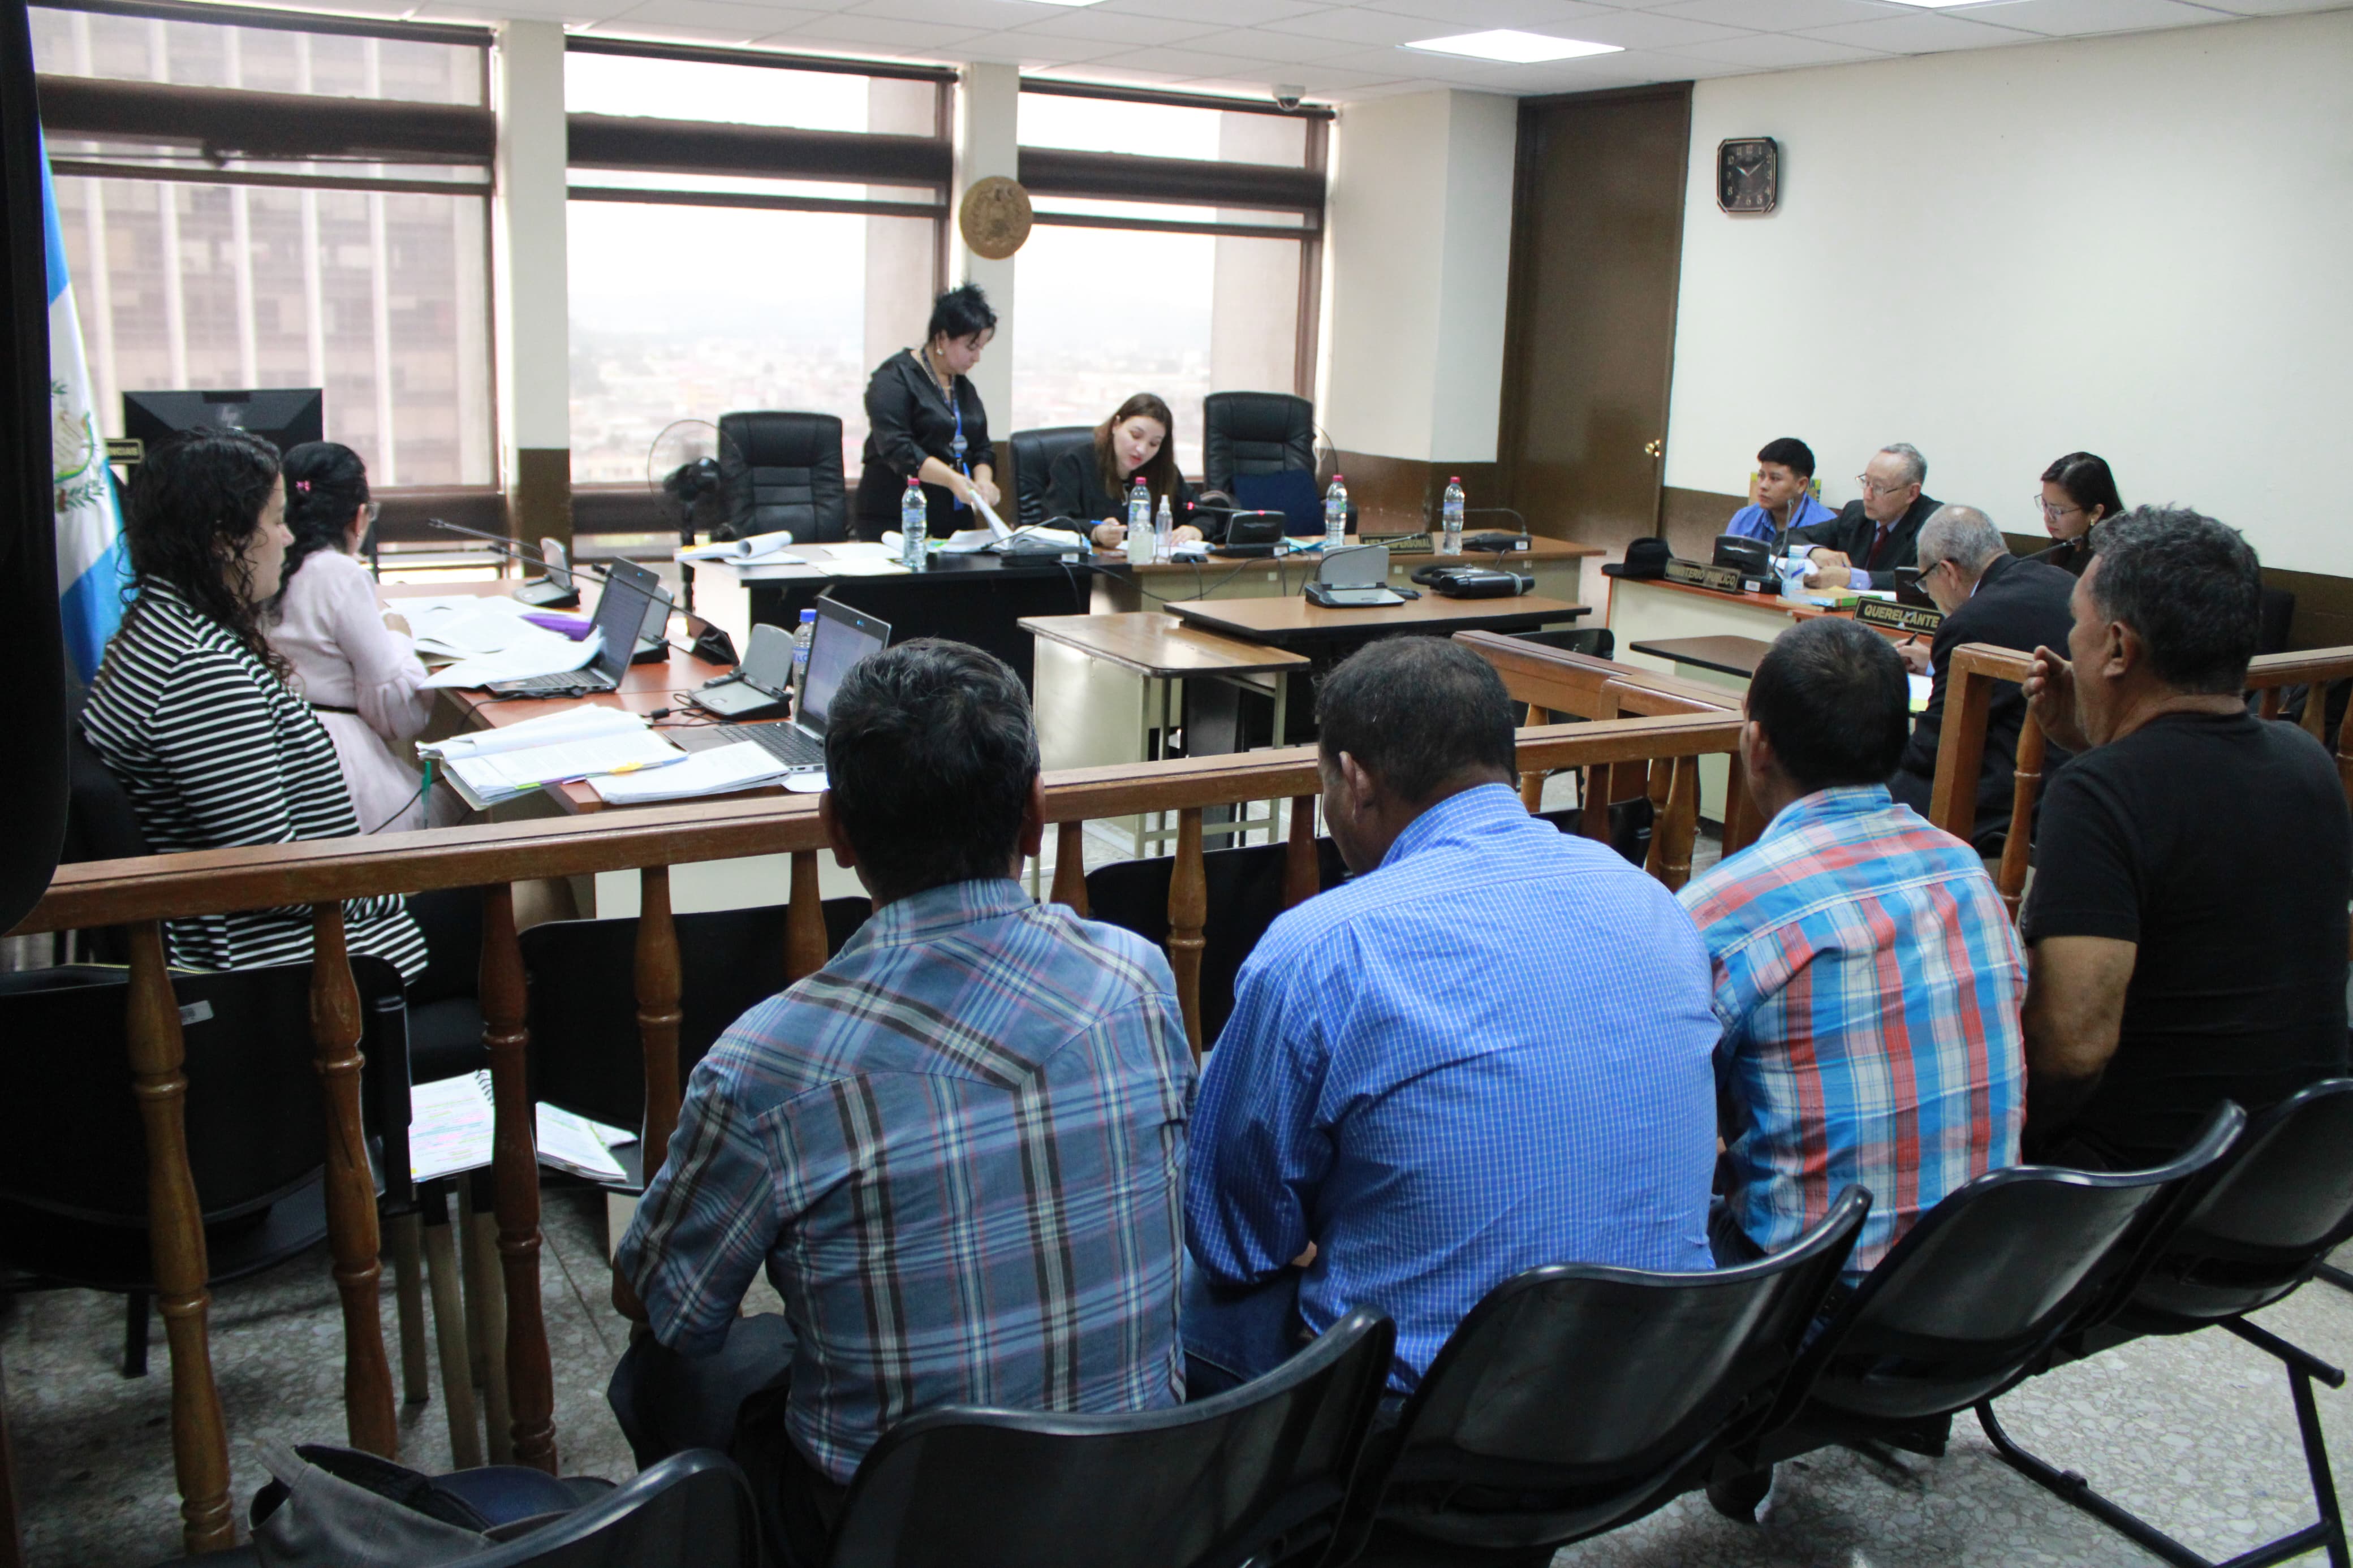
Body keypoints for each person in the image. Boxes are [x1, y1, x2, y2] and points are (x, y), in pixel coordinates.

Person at [613, 638, 1195, 1566]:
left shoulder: (767, 1061)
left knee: (664, 1375)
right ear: (1037, 815)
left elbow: (661, 1306)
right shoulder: (1136, 977)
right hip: (1136, 1507)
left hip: (897, 1535)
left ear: (836, 831)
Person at [1183, 638, 1718, 1398]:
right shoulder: (1653, 902)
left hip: (1427, 1423)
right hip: (1655, 1384)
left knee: (1173, 1287)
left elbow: (1235, 1244)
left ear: (1355, 781)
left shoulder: (1323, 949)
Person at [1680, 617, 2025, 1276]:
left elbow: (1665, 1110)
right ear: (1899, 741)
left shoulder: (1723, 908)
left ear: (1756, 745)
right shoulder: (1962, 869)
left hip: (1813, 1299)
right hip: (1980, 1287)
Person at [2020, 507, 2350, 1168]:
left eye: (2075, 625)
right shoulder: (2303, 758)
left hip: (2152, 1187)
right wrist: (2095, 738)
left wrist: (2008, 1140)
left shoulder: (2096, 795)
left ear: (2117, 648)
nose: (2069, 645)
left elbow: (2073, 1047)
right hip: (2296, 1174)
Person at [80, 429, 426, 979]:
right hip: (305, 959)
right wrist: (380, 878)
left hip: (312, 923)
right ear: (224, 539)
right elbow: (273, 873)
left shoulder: (157, 625)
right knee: (541, 894)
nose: (289, 538)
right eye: (275, 519)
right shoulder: (199, 672)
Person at [264, 442, 454, 834]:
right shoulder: (338, 574)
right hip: (339, 772)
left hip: (281, 766)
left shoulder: (267, 570)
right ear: (359, 517)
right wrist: (399, 638)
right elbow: (398, 715)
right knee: (459, 807)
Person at [1887, 504, 2079, 849]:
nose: (1929, 595)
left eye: (1925, 581)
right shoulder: (2058, 581)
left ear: (1947, 571)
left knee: (1877, 789)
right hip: (2075, 774)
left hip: (2015, 795)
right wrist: (1934, 662)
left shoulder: (1970, 622)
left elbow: (1935, 747)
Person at [852, 283, 1002, 542]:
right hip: (895, 518)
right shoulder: (894, 379)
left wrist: (984, 482)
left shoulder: (962, 387)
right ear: (942, 338)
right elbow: (900, 449)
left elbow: (982, 447)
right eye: (971, 346)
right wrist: (953, 480)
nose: (977, 357)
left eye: (981, 348)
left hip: (953, 522)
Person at [1043, 392, 1204, 550]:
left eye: (1154, 444)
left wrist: (1195, 529)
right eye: (1135, 436)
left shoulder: (1164, 471)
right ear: (1116, 425)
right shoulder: (1075, 463)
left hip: (1152, 568)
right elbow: (1056, 522)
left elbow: (1201, 512)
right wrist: (1096, 532)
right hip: (1092, 571)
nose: (1142, 449)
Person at [1791, 443, 1940, 590]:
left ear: (1912, 493)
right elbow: (1787, 538)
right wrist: (1814, 551)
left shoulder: (1935, 524)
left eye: (1879, 488)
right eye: (1866, 482)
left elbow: (1925, 579)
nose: (1867, 496)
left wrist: (1852, 578)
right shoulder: (1856, 513)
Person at [1723, 437, 1837, 546]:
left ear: (1801, 485)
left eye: (1775, 479)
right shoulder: (1744, 519)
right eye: (1761, 476)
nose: (1763, 485)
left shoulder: (1827, 526)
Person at [2029, 451, 2123, 578]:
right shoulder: (2067, 542)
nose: (2048, 518)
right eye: (2045, 505)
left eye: (2058, 511)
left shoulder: (2111, 564)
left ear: (2095, 513)